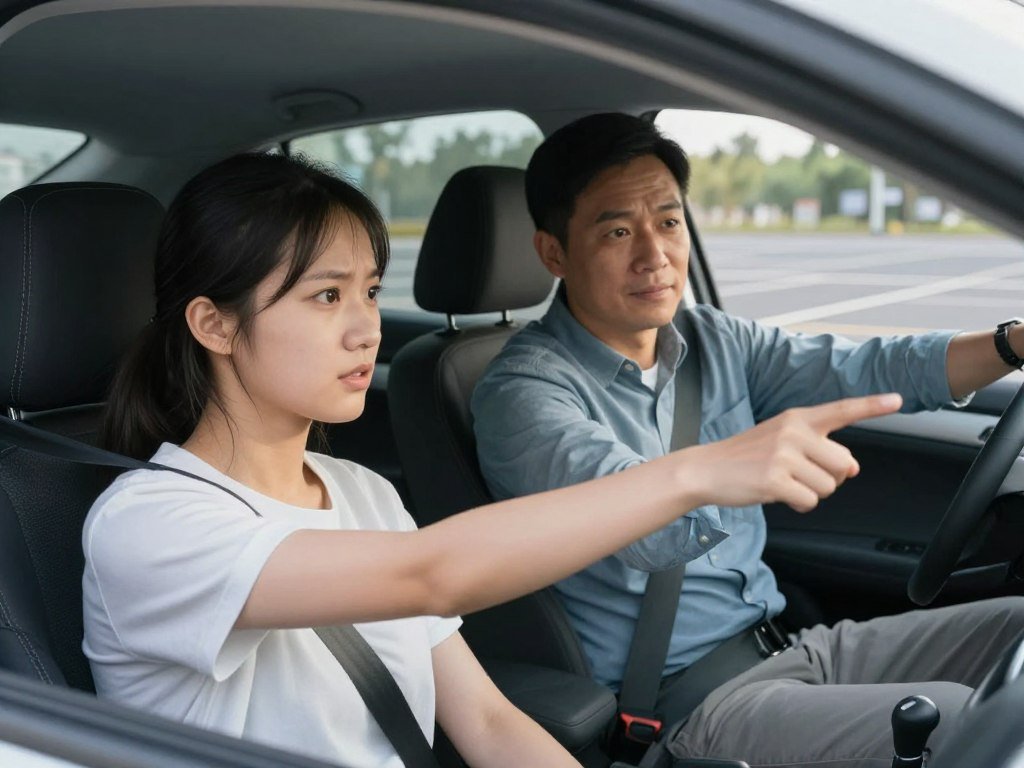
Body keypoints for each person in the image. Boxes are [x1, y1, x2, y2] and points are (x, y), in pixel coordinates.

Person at [80, 152, 895, 768]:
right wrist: (692, 473)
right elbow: (427, 574)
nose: (366, 329)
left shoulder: (358, 491)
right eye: (326, 297)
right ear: (214, 325)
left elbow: (488, 722)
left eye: (369, 291)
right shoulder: (148, 525)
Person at [470, 112, 1024, 767]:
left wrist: (1009, 344)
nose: (656, 256)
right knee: (963, 726)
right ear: (553, 252)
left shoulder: (710, 338)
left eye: (669, 222)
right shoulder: (522, 394)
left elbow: (865, 366)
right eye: (618, 230)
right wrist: (726, 467)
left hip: (788, 646)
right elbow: (636, 520)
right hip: (686, 706)